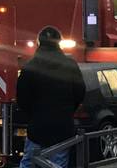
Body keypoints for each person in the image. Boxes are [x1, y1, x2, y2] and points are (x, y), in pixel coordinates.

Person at [17, 26, 86, 168]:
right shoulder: (70, 65)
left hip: (38, 127)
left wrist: (33, 114)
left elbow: (22, 98)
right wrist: (68, 110)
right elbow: (80, 92)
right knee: (58, 163)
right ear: (58, 42)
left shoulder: (30, 67)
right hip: (63, 126)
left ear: (38, 42)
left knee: (29, 162)